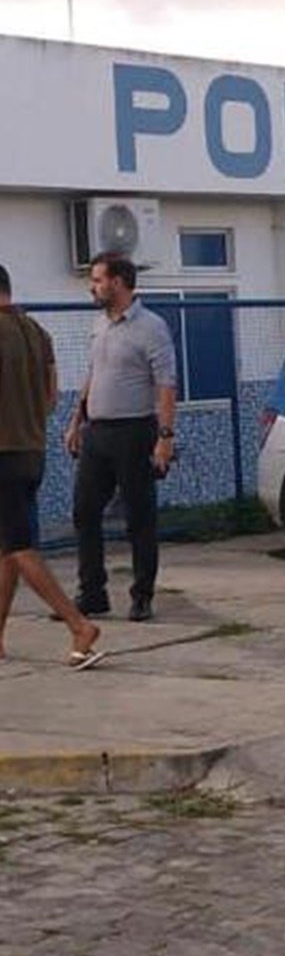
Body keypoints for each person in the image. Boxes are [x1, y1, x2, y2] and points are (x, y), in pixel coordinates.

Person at [0, 264, 104, 668]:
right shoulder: (36, 332)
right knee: (8, 548)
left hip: (3, 453)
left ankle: (78, 625)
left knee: (21, 548)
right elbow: (52, 394)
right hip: (32, 450)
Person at [64, 252, 177, 622]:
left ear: (117, 282)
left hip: (134, 430)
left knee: (139, 516)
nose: (92, 287)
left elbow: (166, 385)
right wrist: (76, 421)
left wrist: (164, 437)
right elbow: (92, 375)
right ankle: (92, 592)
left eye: (97, 280)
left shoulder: (151, 327)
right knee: (85, 511)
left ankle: (142, 595)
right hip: (98, 431)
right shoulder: (100, 324)